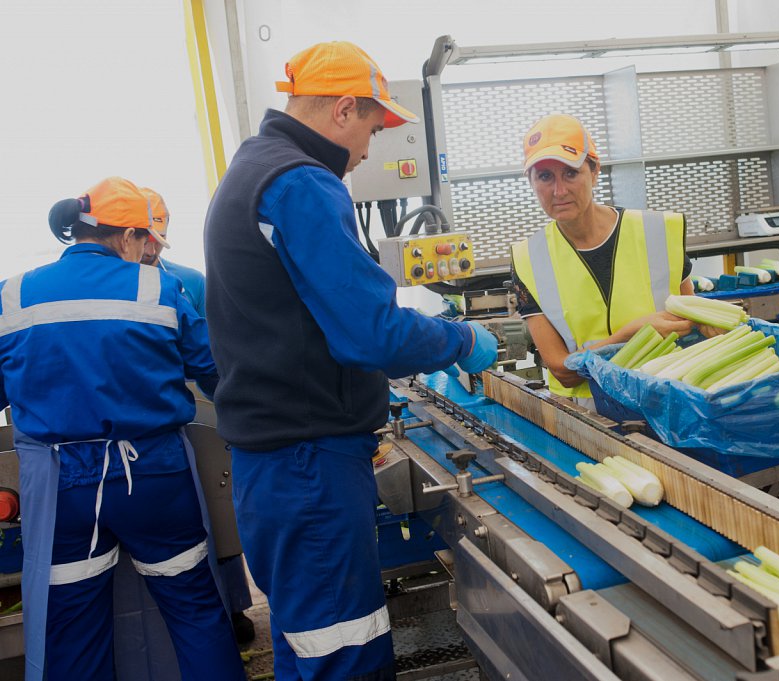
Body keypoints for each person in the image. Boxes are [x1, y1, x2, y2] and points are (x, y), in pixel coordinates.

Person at [204, 41, 498, 681]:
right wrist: (460, 340)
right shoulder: (301, 184)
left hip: (277, 464)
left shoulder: (253, 168)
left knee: (308, 643)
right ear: (341, 109)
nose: (372, 147)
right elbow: (372, 333)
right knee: (343, 654)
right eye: (372, 126)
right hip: (308, 466)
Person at [0, 177, 246, 680]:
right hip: (153, 478)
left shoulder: (13, 295)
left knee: (73, 628)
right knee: (195, 610)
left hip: (63, 487)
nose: (151, 254)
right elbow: (217, 373)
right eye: (149, 243)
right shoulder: (159, 288)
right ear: (128, 236)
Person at [510, 113, 719, 401]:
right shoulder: (529, 259)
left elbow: (692, 325)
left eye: (571, 173)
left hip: (665, 398)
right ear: (531, 182)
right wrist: (627, 336)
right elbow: (561, 370)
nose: (559, 190)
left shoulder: (656, 232)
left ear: (594, 172)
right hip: (587, 417)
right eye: (545, 176)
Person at [139, 186, 256, 643]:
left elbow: (216, 351)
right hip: (155, 425)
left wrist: (234, 408)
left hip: (201, 407)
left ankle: (236, 605)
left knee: (218, 511)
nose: (150, 250)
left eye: (156, 241)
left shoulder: (187, 280)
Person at [139, 187, 207, 315]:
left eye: (160, 240)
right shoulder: (106, 279)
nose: (151, 251)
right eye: (145, 241)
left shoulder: (194, 282)